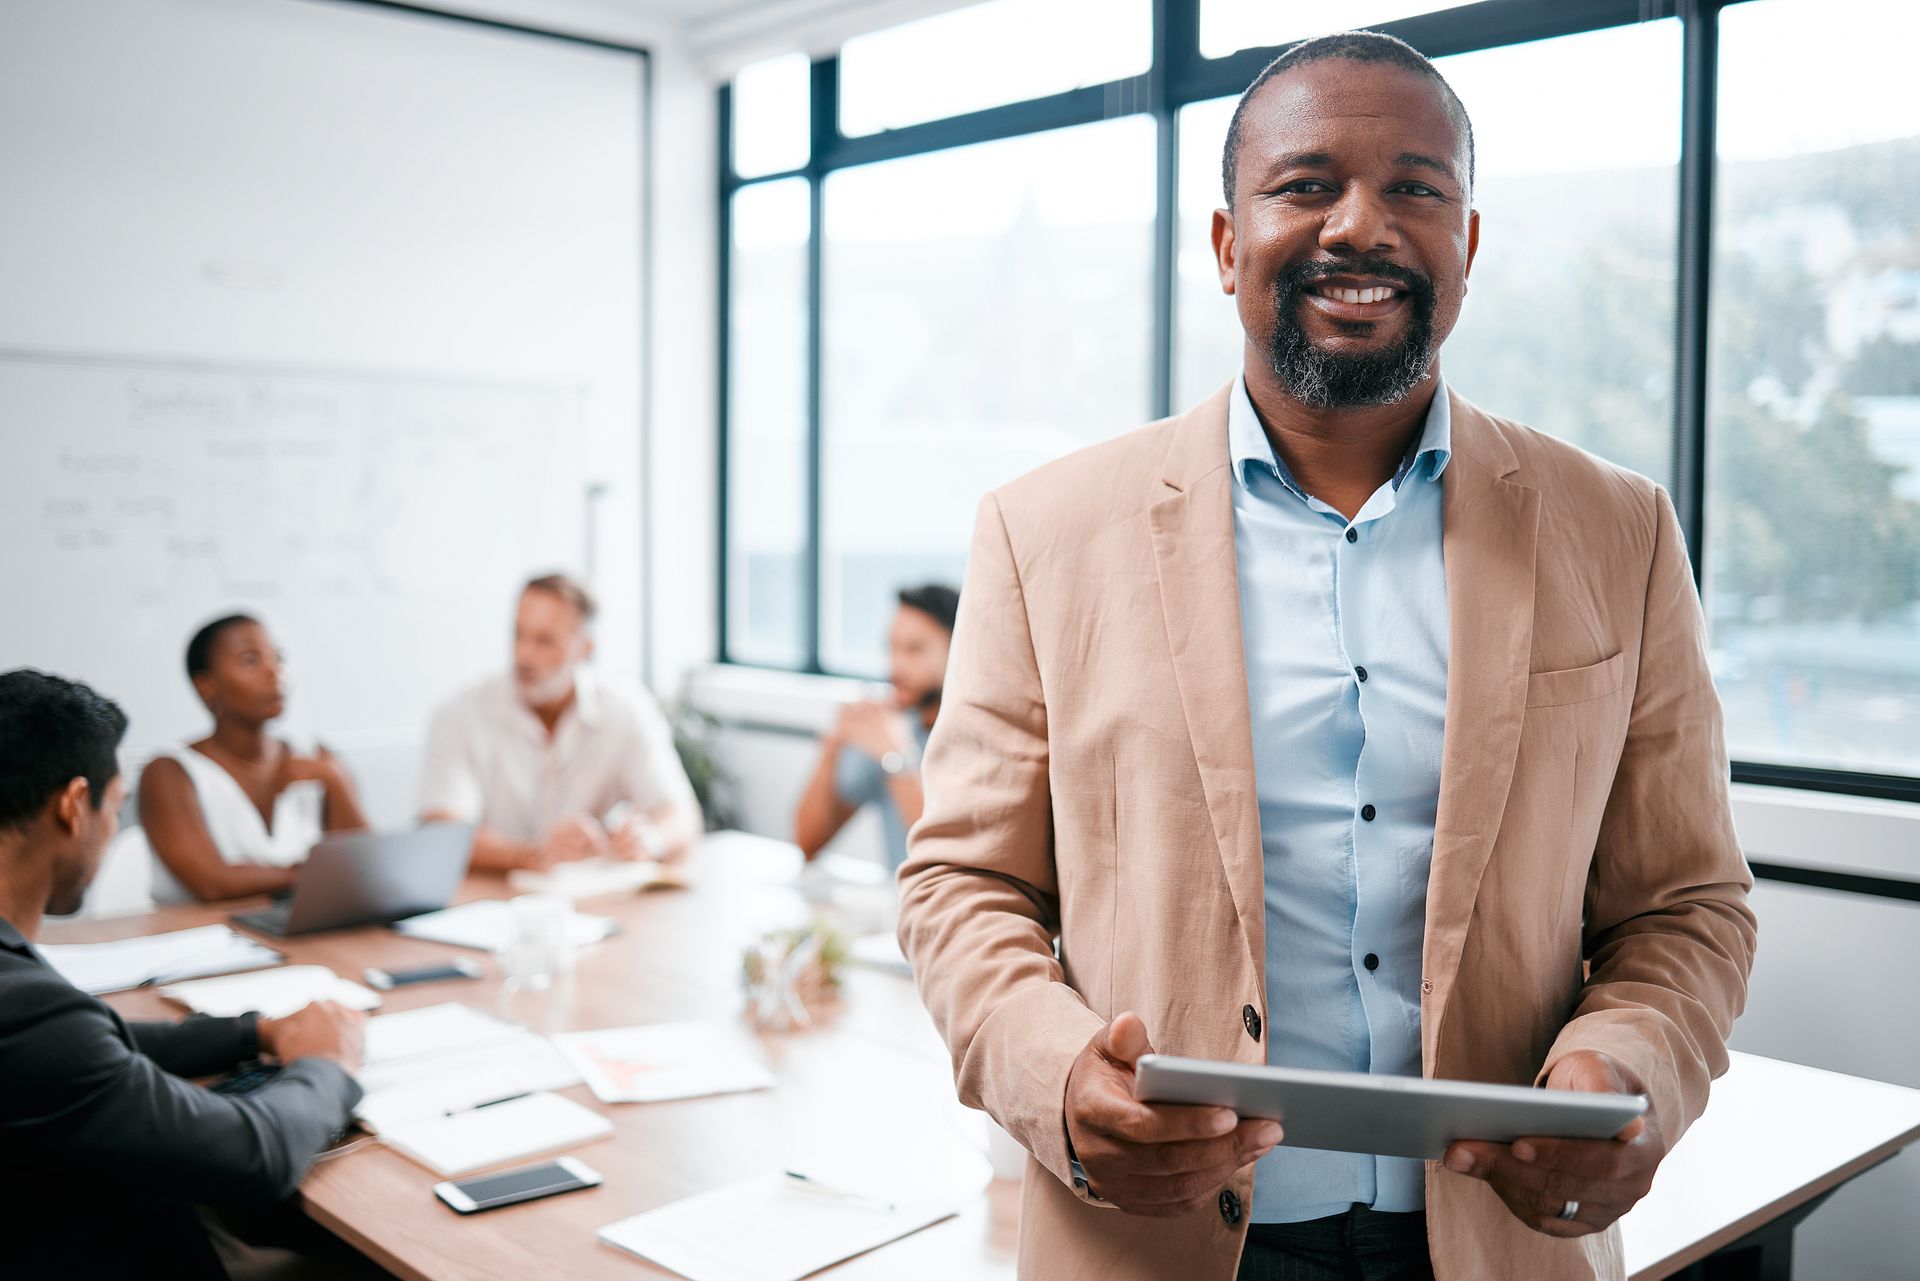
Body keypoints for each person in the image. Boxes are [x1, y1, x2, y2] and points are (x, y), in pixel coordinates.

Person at [896, 31, 1756, 1281]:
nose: (1363, 225)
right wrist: (1058, 1074)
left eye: (1417, 186)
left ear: (1466, 241)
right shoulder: (1043, 532)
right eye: (1306, 185)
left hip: (1497, 1240)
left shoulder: (1617, 530)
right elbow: (962, 886)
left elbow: (1686, 905)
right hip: (1157, 1238)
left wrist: (1632, 1068)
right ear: (1227, 242)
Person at [0, 668, 369, 1280]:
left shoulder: (29, 1008)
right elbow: (256, 1155)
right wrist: (326, 1064)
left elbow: (93, 1039)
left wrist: (257, 1032)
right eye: (115, 807)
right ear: (72, 807)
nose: (112, 827)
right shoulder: (27, 1016)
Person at [419, 573, 701, 871]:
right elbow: (444, 832)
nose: (524, 655)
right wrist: (530, 855)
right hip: (491, 898)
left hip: (591, 898)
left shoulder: (625, 708)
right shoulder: (461, 714)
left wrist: (649, 839)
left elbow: (681, 816)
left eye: (545, 641)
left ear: (585, 649)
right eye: (518, 635)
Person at [141, 614, 370, 903]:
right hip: (199, 938)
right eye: (251, 660)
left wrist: (336, 781)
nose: (274, 671)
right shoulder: (170, 772)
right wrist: (307, 874)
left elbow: (364, 870)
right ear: (205, 685)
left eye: (278, 658)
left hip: (301, 937)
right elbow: (213, 884)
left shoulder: (317, 758)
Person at [793, 583, 957, 872]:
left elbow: (946, 854)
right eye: (891, 647)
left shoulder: (978, 739)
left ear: (958, 651)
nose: (896, 665)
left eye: (914, 649)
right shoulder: (891, 731)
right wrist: (832, 749)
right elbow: (807, 843)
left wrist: (896, 758)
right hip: (898, 912)